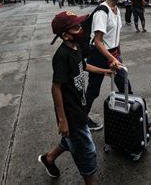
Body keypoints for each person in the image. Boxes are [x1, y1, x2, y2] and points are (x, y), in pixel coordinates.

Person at [39, 11, 112, 185]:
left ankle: (49, 159)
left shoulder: (77, 48)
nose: (82, 30)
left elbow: (84, 66)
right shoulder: (61, 56)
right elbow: (55, 88)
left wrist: (105, 71)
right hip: (70, 113)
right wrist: (62, 120)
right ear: (65, 35)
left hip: (79, 105)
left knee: (70, 140)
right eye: (77, 27)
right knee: (87, 150)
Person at [84, 0, 151, 131]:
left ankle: (141, 123)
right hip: (99, 55)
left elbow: (115, 39)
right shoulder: (102, 11)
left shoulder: (117, 9)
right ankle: (81, 120)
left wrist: (118, 57)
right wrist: (112, 58)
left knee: (126, 88)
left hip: (113, 53)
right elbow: (98, 41)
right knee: (93, 91)